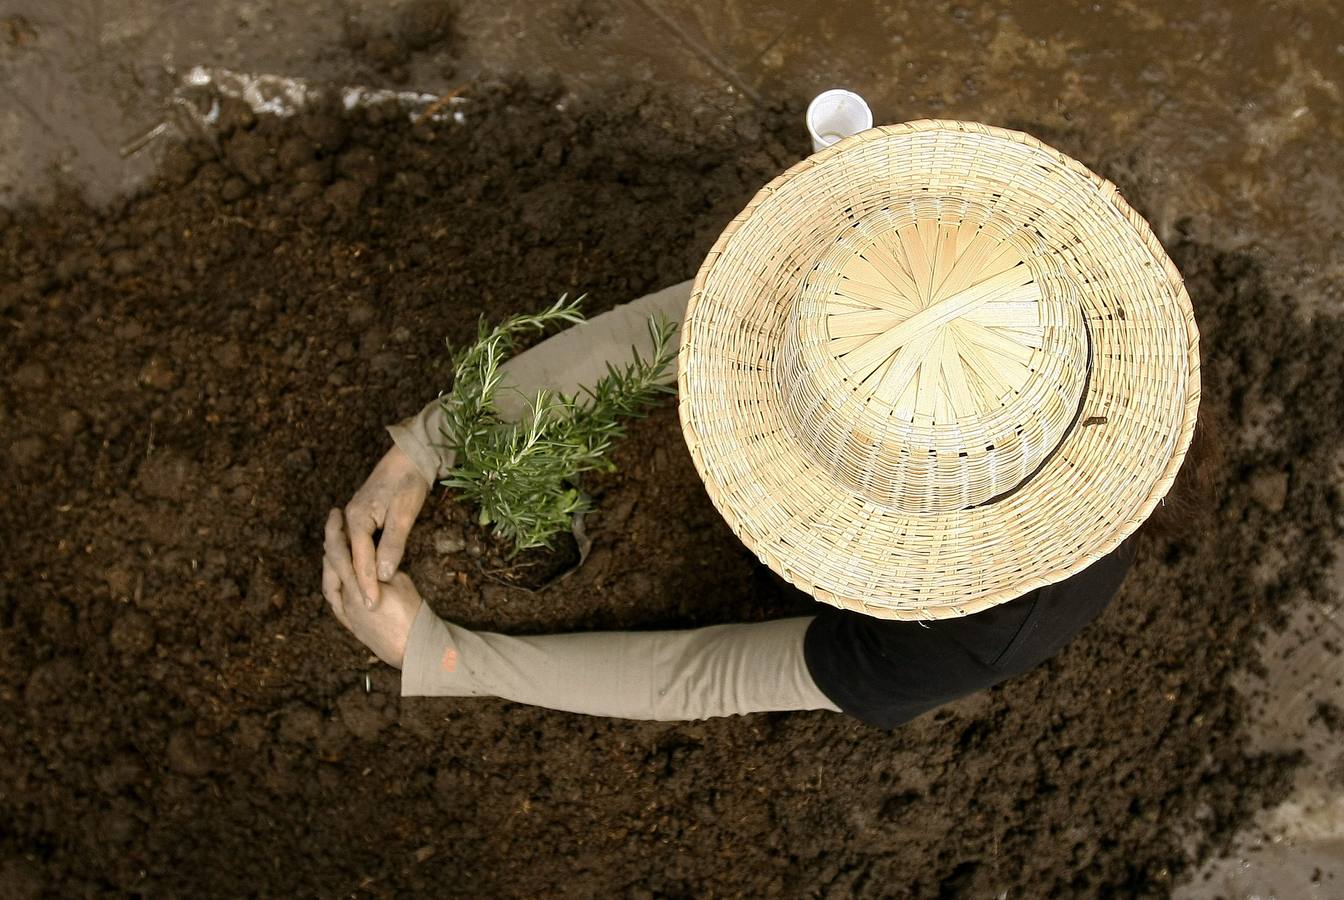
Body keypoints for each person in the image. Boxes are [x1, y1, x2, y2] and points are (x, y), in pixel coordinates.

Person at [322, 120, 1202, 729]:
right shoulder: (958, 249)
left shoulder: (980, 630)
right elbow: (678, 331)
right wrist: (432, 441)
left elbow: (724, 672)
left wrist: (447, 660)